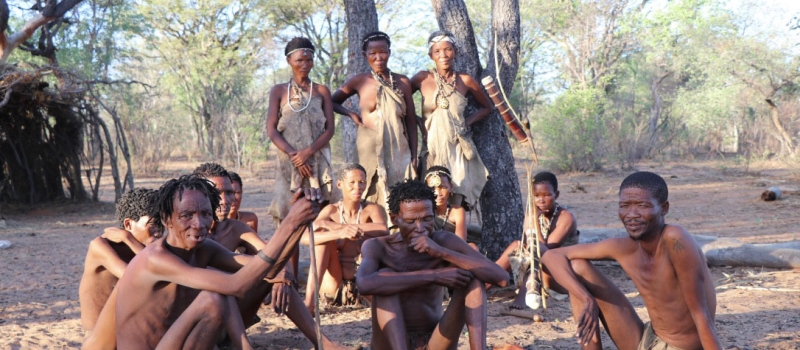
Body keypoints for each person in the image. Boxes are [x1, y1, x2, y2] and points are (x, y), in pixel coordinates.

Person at [110, 175, 334, 349]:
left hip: (177, 343)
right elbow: (237, 286)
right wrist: (289, 223)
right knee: (214, 297)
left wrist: (298, 222)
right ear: (167, 219)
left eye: (206, 214)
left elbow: (267, 269)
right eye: (187, 215)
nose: (199, 224)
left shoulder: (204, 248)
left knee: (227, 289)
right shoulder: (156, 258)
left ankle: (324, 344)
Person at [541, 172, 722, 350]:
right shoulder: (623, 247)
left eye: (642, 206)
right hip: (648, 339)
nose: (632, 214)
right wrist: (585, 298)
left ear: (664, 208)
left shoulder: (675, 240)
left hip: (680, 347)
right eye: (625, 206)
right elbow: (550, 256)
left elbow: (701, 314)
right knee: (577, 266)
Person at [194, 163, 341, 348]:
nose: (225, 200)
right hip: (198, 324)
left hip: (232, 320)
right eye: (217, 193)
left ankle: (324, 343)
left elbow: (273, 255)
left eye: (230, 192)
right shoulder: (190, 234)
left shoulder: (236, 229)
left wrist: (281, 276)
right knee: (226, 288)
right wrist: (274, 270)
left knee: (275, 276)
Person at [357, 180, 508, 350]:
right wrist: (434, 276)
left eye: (427, 219)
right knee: (384, 280)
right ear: (394, 218)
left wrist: (442, 252)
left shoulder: (443, 241)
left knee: (473, 278)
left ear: (434, 214)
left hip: (434, 341)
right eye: (410, 221)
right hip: (389, 344)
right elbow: (363, 284)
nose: (420, 228)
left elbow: (501, 278)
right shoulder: (378, 246)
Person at [331, 31, 417, 210]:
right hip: (369, 147)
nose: (379, 58)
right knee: (368, 190)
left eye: (383, 52)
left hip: (398, 148)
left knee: (399, 192)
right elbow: (332, 101)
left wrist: (414, 156)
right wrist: (351, 114)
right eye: (373, 53)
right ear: (365, 55)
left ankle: (396, 227)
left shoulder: (402, 82)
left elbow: (410, 121)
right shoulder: (360, 81)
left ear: (389, 52)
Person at [410, 30, 493, 211]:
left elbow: (487, 107)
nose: (443, 55)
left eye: (448, 49)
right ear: (431, 55)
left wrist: (466, 123)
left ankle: (457, 227)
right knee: (431, 195)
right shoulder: (422, 78)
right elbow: (400, 102)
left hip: (457, 149)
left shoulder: (465, 80)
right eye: (437, 51)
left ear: (455, 51)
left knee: (457, 194)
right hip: (432, 148)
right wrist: (418, 121)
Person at [267, 37, 337, 224]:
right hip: (288, 160)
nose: (305, 64)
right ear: (289, 61)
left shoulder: (321, 91)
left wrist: (307, 153)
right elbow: (271, 130)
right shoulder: (279, 91)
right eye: (299, 60)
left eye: (309, 60)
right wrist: (295, 156)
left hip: (317, 160)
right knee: (289, 214)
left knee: (322, 211)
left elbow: (330, 129)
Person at [303, 163, 389, 315]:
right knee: (323, 242)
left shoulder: (371, 209)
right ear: (339, 184)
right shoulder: (331, 211)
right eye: (352, 183)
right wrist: (339, 233)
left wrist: (341, 227)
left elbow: (383, 229)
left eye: (362, 182)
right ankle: (309, 303)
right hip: (334, 286)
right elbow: (305, 238)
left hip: (363, 285)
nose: (358, 187)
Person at [79, 188, 162, 336]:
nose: (159, 231)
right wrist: (127, 238)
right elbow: (135, 277)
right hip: (99, 337)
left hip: (127, 330)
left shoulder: (147, 248)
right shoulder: (101, 246)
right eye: (154, 224)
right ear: (128, 224)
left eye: (162, 224)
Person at [495, 171, 578, 310]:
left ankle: (525, 292)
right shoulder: (532, 214)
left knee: (538, 248)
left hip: (561, 276)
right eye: (536, 196)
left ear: (556, 195)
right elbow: (528, 246)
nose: (541, 200)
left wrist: (533, 220)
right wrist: (532, 218)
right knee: (517, 245)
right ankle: (482, 284)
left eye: (546, 195)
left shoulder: (566, 218)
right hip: (538, 272)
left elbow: (544, 251)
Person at [423, 166, 481, 250]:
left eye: (443, 187)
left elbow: (460, 242)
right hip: (428, 250)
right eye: (432, 188)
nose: (438, 193)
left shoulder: (457, 211)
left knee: (473, 247)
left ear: (451, 187)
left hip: (451, 251)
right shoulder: (423, 210)